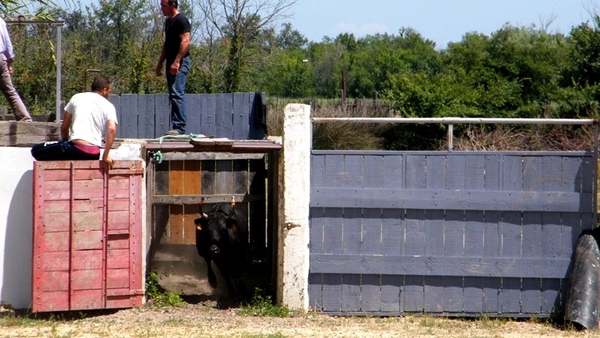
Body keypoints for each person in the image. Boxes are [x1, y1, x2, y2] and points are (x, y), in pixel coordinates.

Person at [31, 76, 117, 169]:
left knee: (35, 150)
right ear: (105, 90)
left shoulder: (76, 97)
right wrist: (105, 156)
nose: (109, 94)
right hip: (93, 153)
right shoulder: (109, 106)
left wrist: (65, 142)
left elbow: (64, 127)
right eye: (109, 91)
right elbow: (112, 129)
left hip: (75, 149)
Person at [155, 0, 191, 136]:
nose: (161, 9)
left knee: (177, 92)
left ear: (172, 5)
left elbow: (186, 41)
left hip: (180, 61)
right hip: (170, 61)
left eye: (163, 6)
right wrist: (160, 64)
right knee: (173, 94)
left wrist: (177, 62)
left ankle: (180, 127)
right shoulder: (168, 22)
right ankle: (177, 126)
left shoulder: (181, 20)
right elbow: (167, 44)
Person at [0, 17, 31, 122]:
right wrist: (9, 62)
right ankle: (26, 120)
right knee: (10, 91)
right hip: (1, 58)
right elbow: (8, 44)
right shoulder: (0, 21)